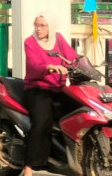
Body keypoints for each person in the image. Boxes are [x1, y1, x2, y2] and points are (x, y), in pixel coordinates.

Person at [23, 13, 77, 176]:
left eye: (42, 25)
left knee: (78, 113)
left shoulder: (59, 39)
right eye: (36, 25)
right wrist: (50, 67)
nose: (38, 28)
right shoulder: (30, 42)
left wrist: (80, 64)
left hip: (58, 89)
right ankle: (29, 167)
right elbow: (33, 65)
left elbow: (72, 57)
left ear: (50, 26)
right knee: (41, 122)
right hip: (37, 89)